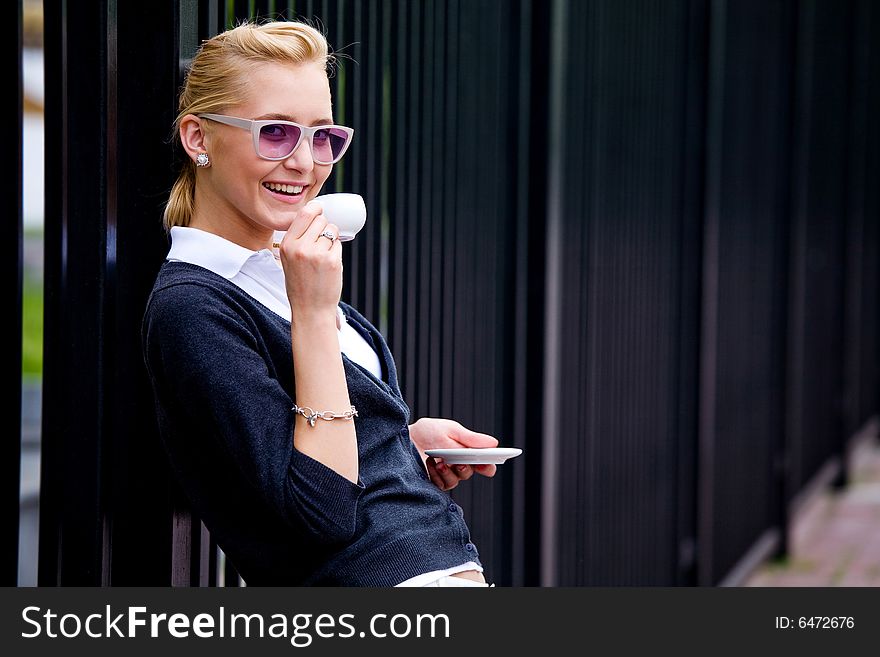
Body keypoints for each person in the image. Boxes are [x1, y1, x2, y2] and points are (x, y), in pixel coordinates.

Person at [141, 19, 499, 587]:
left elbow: (296, 459)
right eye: (276, 133)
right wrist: (310, 313)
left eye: (324, 136)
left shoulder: (277, 275)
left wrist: (399, 448)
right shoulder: (194, 305)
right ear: (198, 138)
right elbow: (321, 512)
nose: (307, 164)